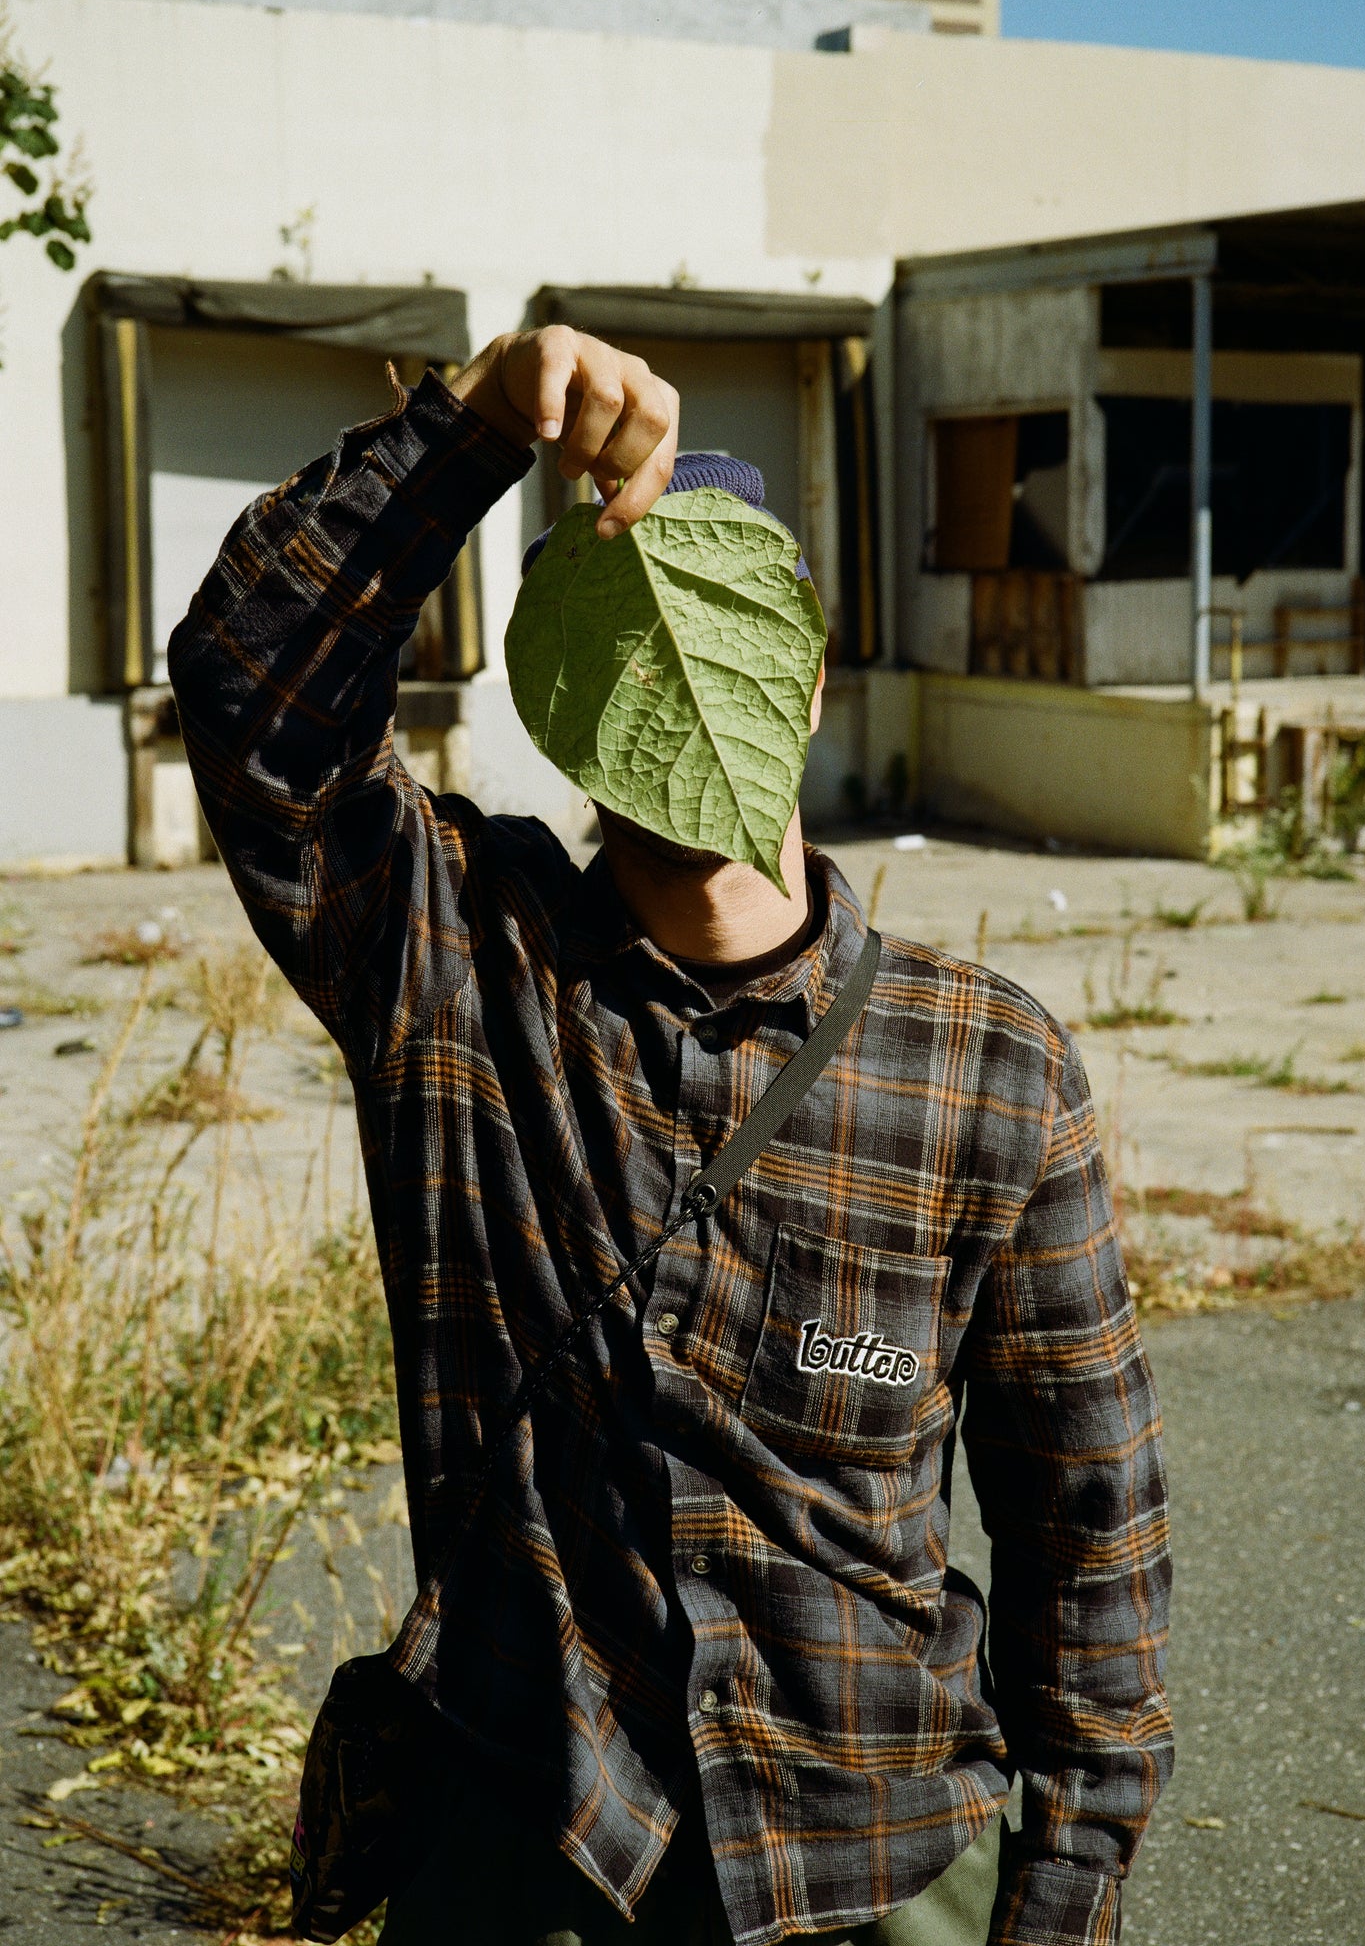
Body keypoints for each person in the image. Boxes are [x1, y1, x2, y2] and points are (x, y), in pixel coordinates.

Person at [170, 326, 1172, 1946]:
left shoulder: (985, 1066)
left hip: (881, 1861)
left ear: (807, 671)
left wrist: (1059, 1900)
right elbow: (251, 690)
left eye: (708, 629)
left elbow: (1090, 1541)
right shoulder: (461, 959)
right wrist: (479, 427)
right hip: (542, 1848)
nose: (679, 685)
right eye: (620, 650)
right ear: (569, 704)